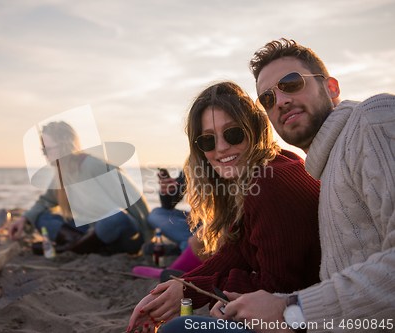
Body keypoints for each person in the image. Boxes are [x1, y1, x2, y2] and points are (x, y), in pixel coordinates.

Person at [165, 38, 395, 333]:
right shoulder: (319, 169)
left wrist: (291, 309)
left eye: (291, 83)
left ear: (332, 87)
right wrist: (186, 287)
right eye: (268, 99)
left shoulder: (372, 119)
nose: (281, 101)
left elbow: (289, 286)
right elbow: (245, 251)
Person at [127, 81, 322, 332]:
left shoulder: (267, 184)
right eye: (207, 140)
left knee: (174, 330)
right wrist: (180, 286)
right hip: (296, 311)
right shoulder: (268, 166)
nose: (220, 148)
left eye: (232, 133)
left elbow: (278, 288)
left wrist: (201, 291)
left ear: (254, 128)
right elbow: (236, 253)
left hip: (308, 320)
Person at [8, 121, 152, 255]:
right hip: (91, 231)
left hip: (123, 234)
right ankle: (87, 246)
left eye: (48, 150)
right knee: (41, 218)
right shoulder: (61, 174)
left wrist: (147, 240)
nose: (45, 155)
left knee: (115, 216)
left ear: (65, 145)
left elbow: (134, 200)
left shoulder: (95, 166)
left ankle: (66, 248)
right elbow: (46, 201)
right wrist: (24, 219)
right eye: (43, 150)